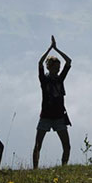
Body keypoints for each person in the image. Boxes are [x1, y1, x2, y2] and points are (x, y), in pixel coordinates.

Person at [33, 36, 73, 169]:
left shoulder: (60, 79)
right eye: (55, 67)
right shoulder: (44, 80)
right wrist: (49, 49)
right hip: (46, 116)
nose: (57, 70)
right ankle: (35, 169)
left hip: (58, 116)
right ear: (49, 67)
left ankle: (63, 168)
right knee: (38, 145)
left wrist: (56, 49)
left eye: (58, 67)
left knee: (66, 146)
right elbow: (39, 64)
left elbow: (69, 61)